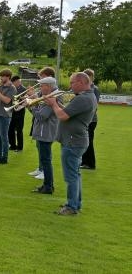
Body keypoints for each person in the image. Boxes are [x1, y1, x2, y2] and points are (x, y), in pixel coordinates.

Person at [45, 72, 97, 215]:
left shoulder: (83, 99)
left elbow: (62, 116)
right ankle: (75, 203)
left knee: (71, 176)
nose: (70, 86)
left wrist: (54, 103)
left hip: (73, 142)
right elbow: (68, 112)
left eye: (72, 83)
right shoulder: (86, 97)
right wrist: (55, 103)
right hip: (75, 140)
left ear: (80, 82)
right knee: (75, 174)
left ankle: (71, 207)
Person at [28, 76, 60, 194]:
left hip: (45, 132)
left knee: (46, 160)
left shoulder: (52, 97)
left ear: (49, 86)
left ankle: (48, 186)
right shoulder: (48, 96)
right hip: (44, 131)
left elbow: (42, 116)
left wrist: (30, 106)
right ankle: (47, 185)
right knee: (45, 159)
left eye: (42, 85)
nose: (40, 88)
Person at [80, 68, 100, 170]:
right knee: (85, 141)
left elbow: (94, 105)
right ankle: (84, 162)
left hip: (91, 120)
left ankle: (91, 164)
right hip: (86, 120)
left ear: (91, 77)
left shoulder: (94, 89)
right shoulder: (85, 88)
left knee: (89, 142)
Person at [8, 75, 26, 151]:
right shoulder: (11, 88)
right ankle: (12, 145)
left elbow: (25, 100)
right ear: (13, 82)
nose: (19, 83)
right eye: (18, 82)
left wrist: (21, 99)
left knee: (19, 130)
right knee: (10, 129)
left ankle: (20, 147)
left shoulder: (23, 89)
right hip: (12, 111)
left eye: (20, 81)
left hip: (20, 111)